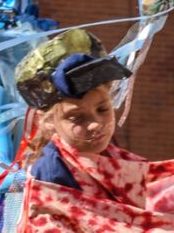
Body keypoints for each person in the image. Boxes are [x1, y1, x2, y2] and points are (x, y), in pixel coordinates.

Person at [16, 29, 174, 231]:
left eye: (103, 109)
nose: (96, 124)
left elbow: (150, 197)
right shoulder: (51, 174)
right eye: (76, 117)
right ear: (47, 122)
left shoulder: (107, 154)